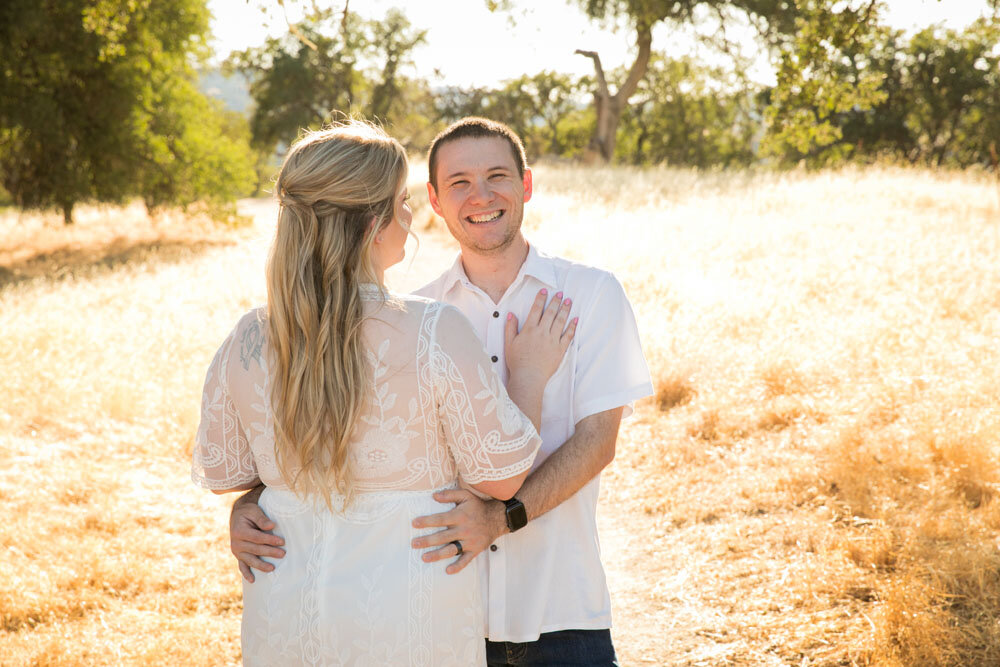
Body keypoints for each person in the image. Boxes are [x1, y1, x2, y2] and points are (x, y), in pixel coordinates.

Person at [229, 117, 654, 666]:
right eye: (459, 182)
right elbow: (345, 448)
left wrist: (501, 520)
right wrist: (252, 503)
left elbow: (598, 441)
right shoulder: (410, 317)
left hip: (560, 610)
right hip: (441, 613)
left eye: (498, 176)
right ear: (432, 199)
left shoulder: (591, 294)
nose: (481, 195)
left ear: (526, 184)